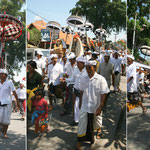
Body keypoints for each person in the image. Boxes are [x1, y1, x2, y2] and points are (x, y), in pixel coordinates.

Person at [76, 60, 109, 149]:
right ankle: (79, 142)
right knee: (82, 124)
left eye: (90, 67)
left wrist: (100, 107)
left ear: (94, 68)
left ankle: (92, 138)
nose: (88, 69)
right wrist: (80, 102)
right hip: (85, 105)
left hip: (95, 106)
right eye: (86, 67)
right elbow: (81, 91)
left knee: (94, 123)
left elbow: (103, 94)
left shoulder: (101, 79)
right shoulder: (83, 78)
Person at [0, 69, 20, 139]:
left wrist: (17, 102)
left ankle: (5, 133)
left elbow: (14, 92)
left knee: (6, 120)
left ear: (6, 76)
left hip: (7, 103)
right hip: (0, 103)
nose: (2, 75)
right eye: (1, 74)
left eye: (4, 74)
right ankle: (1, 130)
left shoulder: (9, 82)